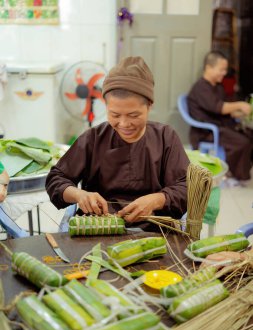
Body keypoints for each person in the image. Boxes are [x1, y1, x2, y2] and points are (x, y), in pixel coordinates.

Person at [46, 56, 189, 228]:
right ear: (105, 106)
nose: (124, 124)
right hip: (99, 229)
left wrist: (157, 199)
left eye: (133, 115)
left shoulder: (166, 137)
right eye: (114, 115)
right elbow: (56, 179)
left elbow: (187, 187)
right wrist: (79, 195)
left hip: (155, 230)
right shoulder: (93, 138)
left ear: (149, 105)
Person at [188, 50, 253, 181]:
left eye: (225, 69)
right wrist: (240, 104)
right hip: (206, 131)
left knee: (250, 134)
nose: (224, 73)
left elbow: (227, 108)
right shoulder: (201, 88)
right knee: (242, 142)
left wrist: (243, 113)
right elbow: (219, 107)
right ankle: (235, 174)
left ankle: (243, 169)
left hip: (221, 125)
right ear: (208, 67)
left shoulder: (217, 86)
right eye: (221, 69)